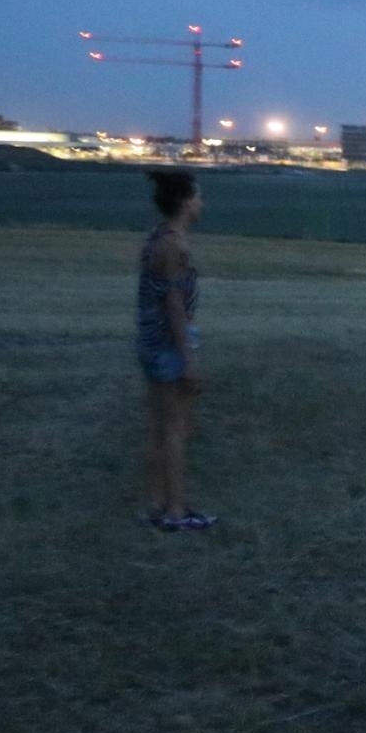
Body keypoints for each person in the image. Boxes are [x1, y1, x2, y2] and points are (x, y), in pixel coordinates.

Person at [137, 170, 216, 532]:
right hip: (169, 346)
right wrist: (189, 358)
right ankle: (176, 511)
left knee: (160, 427)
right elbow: (174, 307)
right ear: (185, 202)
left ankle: (156, 504)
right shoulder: (174, 247)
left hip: (153, 344)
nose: (202, 202)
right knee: (176, 429)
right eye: (198, 196)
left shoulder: (160, 239)